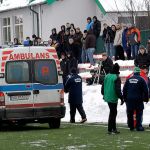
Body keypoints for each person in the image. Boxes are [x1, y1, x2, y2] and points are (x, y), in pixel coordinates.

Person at [123, 67, 149, 131]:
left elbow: (124, 90)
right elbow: (146, 91)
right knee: (139, 113)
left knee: (130, 113)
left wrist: (125, 98)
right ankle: (138, 126)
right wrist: (146, 99)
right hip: (138, 99)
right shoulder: (142, 79)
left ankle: (131, 126)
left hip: (129, 99)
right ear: (139, 73)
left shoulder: (128, 79)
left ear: (134, 72)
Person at [101, 63, 124, 134]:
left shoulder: (107, 76)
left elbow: (102, 88)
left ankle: (113, 129)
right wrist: (121, 98)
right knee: (113, 113)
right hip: (113, 97)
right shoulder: (116, 77)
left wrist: (104, 94)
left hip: (107, 97)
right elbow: (118, 90)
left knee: (112, 112)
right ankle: (110, 129)